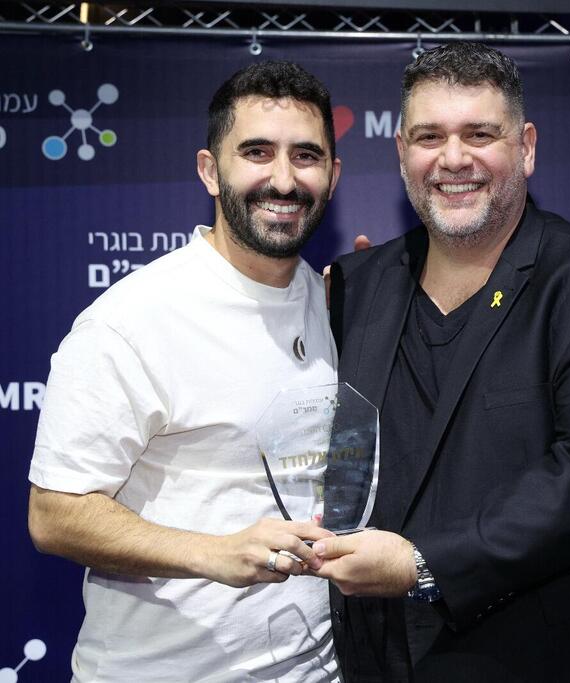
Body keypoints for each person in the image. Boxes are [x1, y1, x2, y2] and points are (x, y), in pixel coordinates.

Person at [313, 42, 570, 681]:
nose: (454, 158)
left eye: (480, 134)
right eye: (430, 136)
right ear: (401, 153)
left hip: (537, 659)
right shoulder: (355, 284)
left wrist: (426, 564)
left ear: (526, 147)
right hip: (374, 657)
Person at [27, 61, 343, 681]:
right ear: (209, 170)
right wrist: (214, 553)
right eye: (257, 152)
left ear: (331, 176)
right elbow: (54, 513)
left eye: (305, 156)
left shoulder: (335, 301)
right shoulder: (132, 320)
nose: (283, 178)